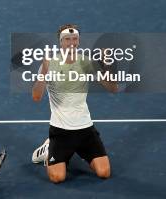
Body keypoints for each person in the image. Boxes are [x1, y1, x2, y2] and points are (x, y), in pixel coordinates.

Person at [31, 24, 118, 183]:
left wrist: (106, 66)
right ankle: (47, 148)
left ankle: (76, 150)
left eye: (74, 39)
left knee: (104, 173)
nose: (71, 42)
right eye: (67, 39)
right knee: (57, 178)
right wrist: (43, 73)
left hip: (86, 129)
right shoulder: (50, 63)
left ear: (78, 41)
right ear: (60, 42)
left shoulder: (86, 62)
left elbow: (112, 88)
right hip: (60, 131)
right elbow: (36, 96)